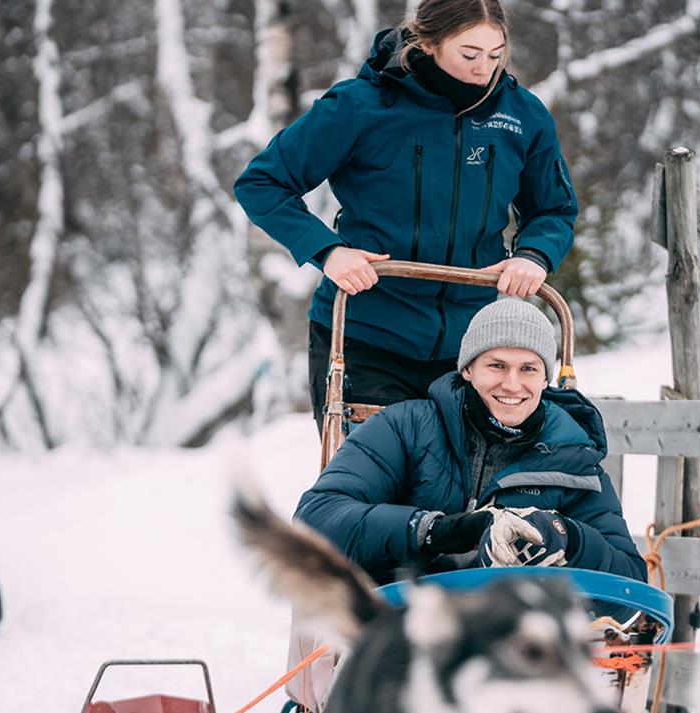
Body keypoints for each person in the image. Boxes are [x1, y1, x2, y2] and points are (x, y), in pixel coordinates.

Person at [233, 0, 578, 429]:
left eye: (495, 55)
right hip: (367, 336)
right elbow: (262, 183)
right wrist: (328, 251)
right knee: (374, 469)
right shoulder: (361, 106)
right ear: (429, 43)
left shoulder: (522, 116)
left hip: (471, 345)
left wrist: (534, 255)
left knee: (462, 472)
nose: (483, 70)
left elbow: (554, 209)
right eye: (469, 54)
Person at [294, 299, 646, 585]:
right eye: (496, 366)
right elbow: (315, 520)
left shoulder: (572, 458)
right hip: (402, 618)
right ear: (467, 369)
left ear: (544, 379)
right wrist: (436, 531)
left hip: (512, 632)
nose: (512, 384)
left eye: (528, 368)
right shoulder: (405, 427)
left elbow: (630, 578)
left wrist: (569, 537)